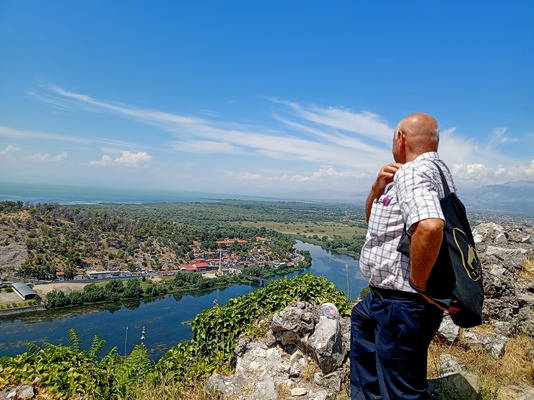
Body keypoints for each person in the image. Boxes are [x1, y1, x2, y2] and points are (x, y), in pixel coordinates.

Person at [350, 112, 458, 399]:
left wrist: (419, 284)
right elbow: (376, 225)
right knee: (361, 326)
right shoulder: (438, 172)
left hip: (402, 304)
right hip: (383, 301)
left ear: (400, 138)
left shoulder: (413, 172)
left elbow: (431, 225)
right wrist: (376, 190)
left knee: (401, 391)